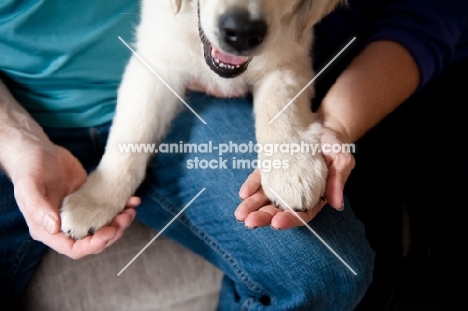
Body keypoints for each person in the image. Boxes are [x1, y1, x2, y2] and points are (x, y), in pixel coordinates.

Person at [0, 0, 466, 310]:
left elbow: (423, 21)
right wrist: (18, 144)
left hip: (192, 103)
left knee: (327, 268)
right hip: (17, 113)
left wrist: (312, 131)